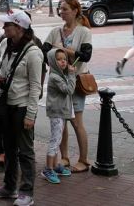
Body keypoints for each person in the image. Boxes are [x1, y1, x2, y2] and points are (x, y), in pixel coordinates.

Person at [0, 10, 43, 206]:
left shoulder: (34, 52)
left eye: (7, 25)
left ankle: (26, 192)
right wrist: (1, 79)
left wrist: (31, 114)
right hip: (7, 105)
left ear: (18, 28)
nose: (3, 28)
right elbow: (6, 71)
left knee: (25, 151)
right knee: (9, 148)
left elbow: (36, 86)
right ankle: (9, 187)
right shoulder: (6, 45)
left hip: (22, 107)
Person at [42, 0, 93, 174]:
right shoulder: (56, 31)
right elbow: (45, 50)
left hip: (76, 80)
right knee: (61, 120)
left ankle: (84, 159)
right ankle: (64, 157)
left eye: (64, 9)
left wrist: (64, 51)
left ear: (75, 11)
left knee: (76, 122)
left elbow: (85, 55)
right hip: (59, 83)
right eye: (60, 9)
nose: (61, 12)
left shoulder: (83, 32)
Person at [41, 49, 75, 184]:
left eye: (65, 59)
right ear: (53, 62)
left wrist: (69, 73)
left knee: (58, 139)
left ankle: (54, 166)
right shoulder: (55, 77)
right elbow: (69, 90)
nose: (63, 62)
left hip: (60, 111)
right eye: (59, 59)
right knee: (55, 140)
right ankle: (48, 169)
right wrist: (72, 74)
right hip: (56, 112)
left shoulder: (60, 75)